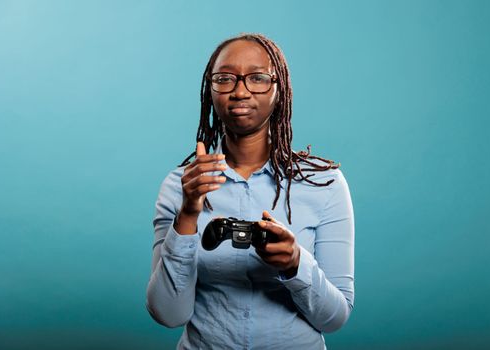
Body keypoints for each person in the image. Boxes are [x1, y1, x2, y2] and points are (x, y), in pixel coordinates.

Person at [146, 33, 355, 350]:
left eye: (257, 78)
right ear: (211, 89)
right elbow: (169, 314)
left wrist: (295, 263)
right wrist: (188, 214)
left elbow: (334, 318)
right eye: (225, 78)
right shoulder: (181, 185)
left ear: (278, 89)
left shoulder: (323, 183)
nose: (240, 91)